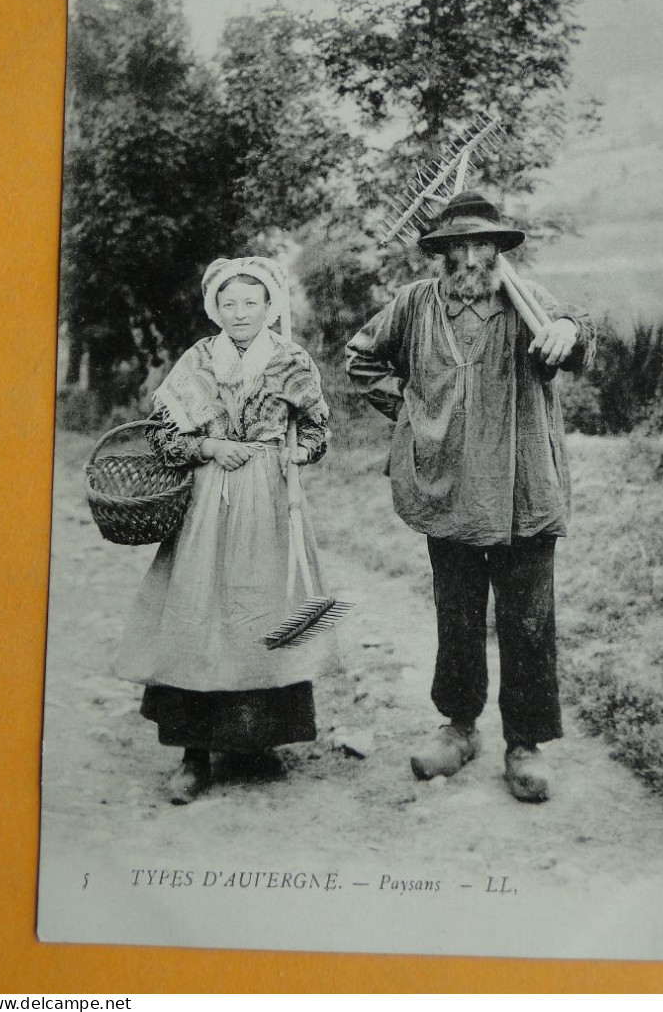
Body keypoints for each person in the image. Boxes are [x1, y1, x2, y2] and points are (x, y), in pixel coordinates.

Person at [345, 191, 595, 803]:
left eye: (480, 243)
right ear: (440, 254)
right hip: (447, 489)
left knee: (528, 620)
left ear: (499, 249)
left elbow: (579, 334)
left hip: (524, 492)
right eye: (454, 246)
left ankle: (526, 743)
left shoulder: (529, 302)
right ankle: (458, 728)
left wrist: (566, 329)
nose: (468, 256)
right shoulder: (415, 305)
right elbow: (360, 359)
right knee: (456, 615)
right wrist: (410, 415)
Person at [117, 255, 330, 805]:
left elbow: (318, 428)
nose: (240, 313)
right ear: (215, 307)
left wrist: (292, 455)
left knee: (265, 608)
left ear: (269, 306)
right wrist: (210, 446)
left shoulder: (291, 360)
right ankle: (194, 755)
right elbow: (163, 434)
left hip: (270, 502)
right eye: (229, 303)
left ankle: (256, 743)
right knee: (199, 610)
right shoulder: (198, 361)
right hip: (208, 500)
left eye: (251, 302)